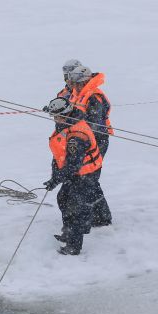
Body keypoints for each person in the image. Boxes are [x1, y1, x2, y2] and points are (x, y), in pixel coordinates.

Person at [42, 97, 103, 255]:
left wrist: (56, 179)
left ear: (65, 114)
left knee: (75, 206)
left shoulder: (77, 135)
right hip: (75, 172)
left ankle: (74, 246)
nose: (54, 119)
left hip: (86, 173)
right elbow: (61, 157)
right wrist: (55, 176)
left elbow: (73, 164)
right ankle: (68, 232)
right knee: (63, 198)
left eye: (56, 116)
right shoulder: (66, 124)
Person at [66, 65, 113, 227]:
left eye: (73, 83)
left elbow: (95, 122)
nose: (71, 86)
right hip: (82, 139)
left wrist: (75, 119)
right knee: (85, 178)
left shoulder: (94, 97)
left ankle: (100, 216)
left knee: (88, 178)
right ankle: (97, 214)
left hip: (96, 140)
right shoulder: (78, 92)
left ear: (82, 81)